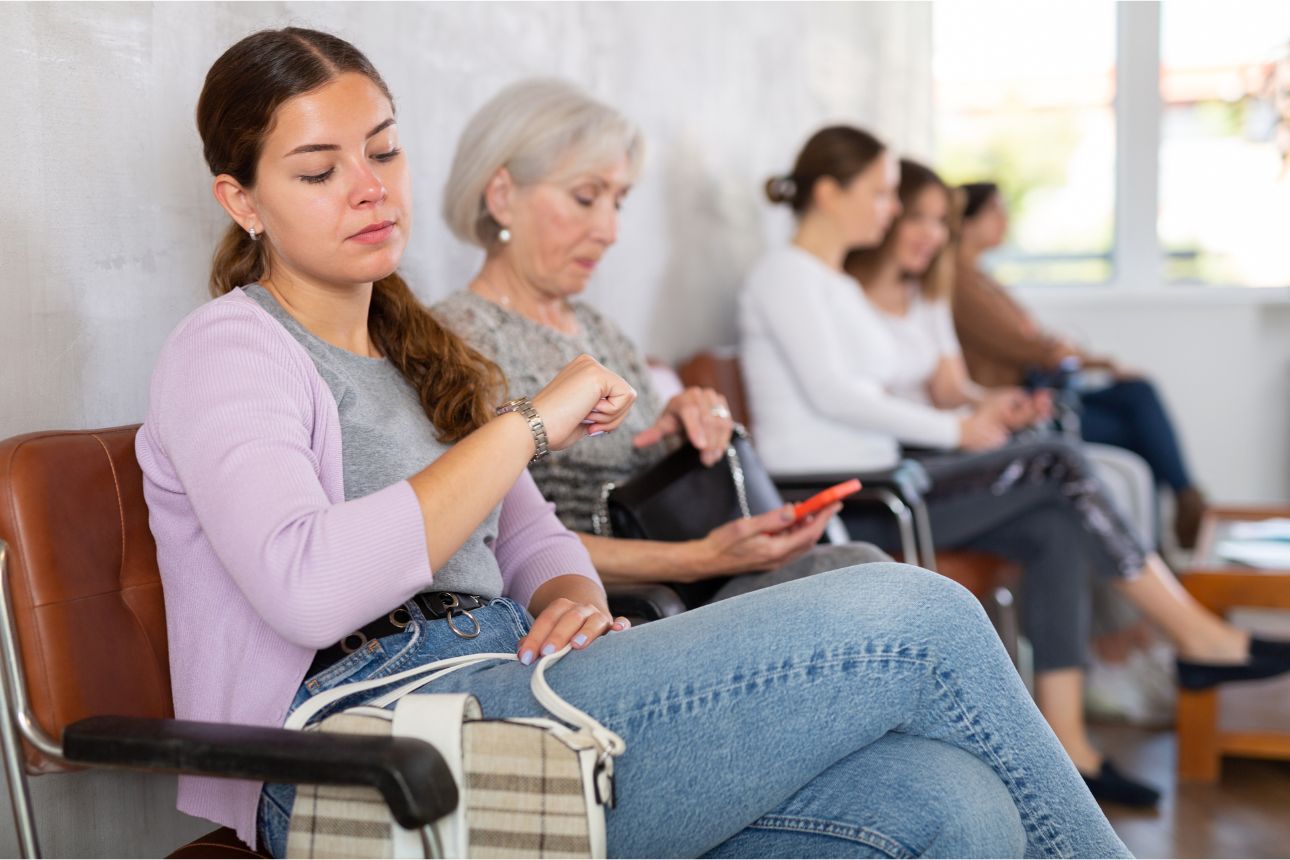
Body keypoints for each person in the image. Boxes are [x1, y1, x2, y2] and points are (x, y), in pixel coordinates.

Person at [136, 26, 1140, 858]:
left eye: (384, 151)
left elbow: (531, 541)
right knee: (914, 615)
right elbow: (305, 584)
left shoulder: (419, 344)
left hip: (513, 691)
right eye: (320, 169)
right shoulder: (229, 348)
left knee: (952, 802)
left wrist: (571, 599)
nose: (369, 187)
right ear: (242, 200)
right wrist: (528, 422)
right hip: (366, 758)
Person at [738, 126, 1290, 807]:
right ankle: (1197, 638)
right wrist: (957, 425)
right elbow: (835, 395)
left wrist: (974, 412)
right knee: (1059, 463)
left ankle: (1073, 752)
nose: (889, 209)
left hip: (891, 481)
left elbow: (892, 388)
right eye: (882, 194)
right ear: (828, 193)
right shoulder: (784, 275)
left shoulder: (832, 285)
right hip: (850, 502)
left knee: (1055, 524)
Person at [432, 79, 889, 610]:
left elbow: (640, 474)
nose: (609, 230)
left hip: (691, 577)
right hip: (622, 603)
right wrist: (700, 557)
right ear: (503, 197)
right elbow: (497, 540)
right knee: (863, 575)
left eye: (618, 202)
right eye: (586, 198)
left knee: (866, 572)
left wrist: (683, 426)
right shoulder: (458, 340)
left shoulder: (600, 330)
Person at [953, 181, 1208, 548]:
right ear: (965, 222)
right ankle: (1172, 528)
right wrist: (1081, 357)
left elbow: (1040, 343)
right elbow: (1028, 345)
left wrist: (1099, 361)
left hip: (1040, 385)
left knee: (1138, 392)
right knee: (1140, 433)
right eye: (995, 211)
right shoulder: (962, 286)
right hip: (1025, 401)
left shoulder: (983, 281)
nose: (1004, 219)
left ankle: (1183, 509)